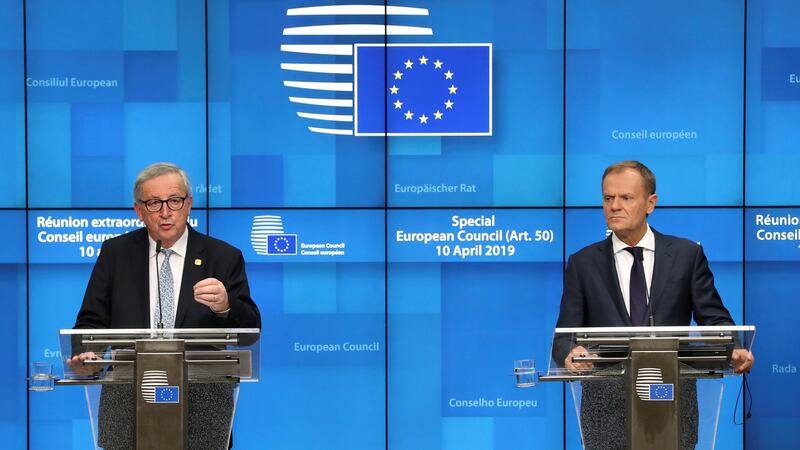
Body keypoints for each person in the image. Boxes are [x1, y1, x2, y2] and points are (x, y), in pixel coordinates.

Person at [553, 160, 754, 449]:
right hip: (605, 408)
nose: (614, 206)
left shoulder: (686, 255)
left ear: (650, 203)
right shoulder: (583, 263)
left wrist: (732, 346)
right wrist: (572, 352)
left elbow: (715, 320)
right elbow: (564, 336)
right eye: (608, 198)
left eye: (626, 198)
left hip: (672, 399)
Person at [68, 162, 261, 449]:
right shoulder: (116, 253)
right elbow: (90, 324)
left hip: (204, 407)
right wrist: (88, 356)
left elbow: (250, 332)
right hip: (126, 406)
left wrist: (225, 307)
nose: (166, 211)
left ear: (189, 204)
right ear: (139, 210)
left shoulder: (223, 256)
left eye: (174, 200)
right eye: (154, 203)